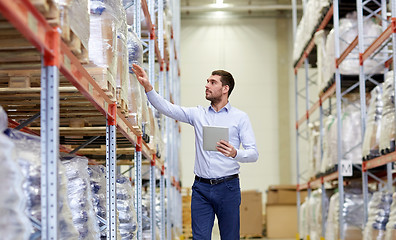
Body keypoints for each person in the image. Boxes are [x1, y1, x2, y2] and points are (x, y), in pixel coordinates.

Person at [132, 64, 259, 240]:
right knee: (199, 237)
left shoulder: (240, 118)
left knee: (230, 237)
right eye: (207, 81)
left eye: (212, 82)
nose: (207, 85)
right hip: (201, 189)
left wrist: (235, 153)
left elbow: (253, 153)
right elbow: (167, 108)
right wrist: (148, 87)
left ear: (225, 89)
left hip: (228, 188)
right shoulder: (197, 114)